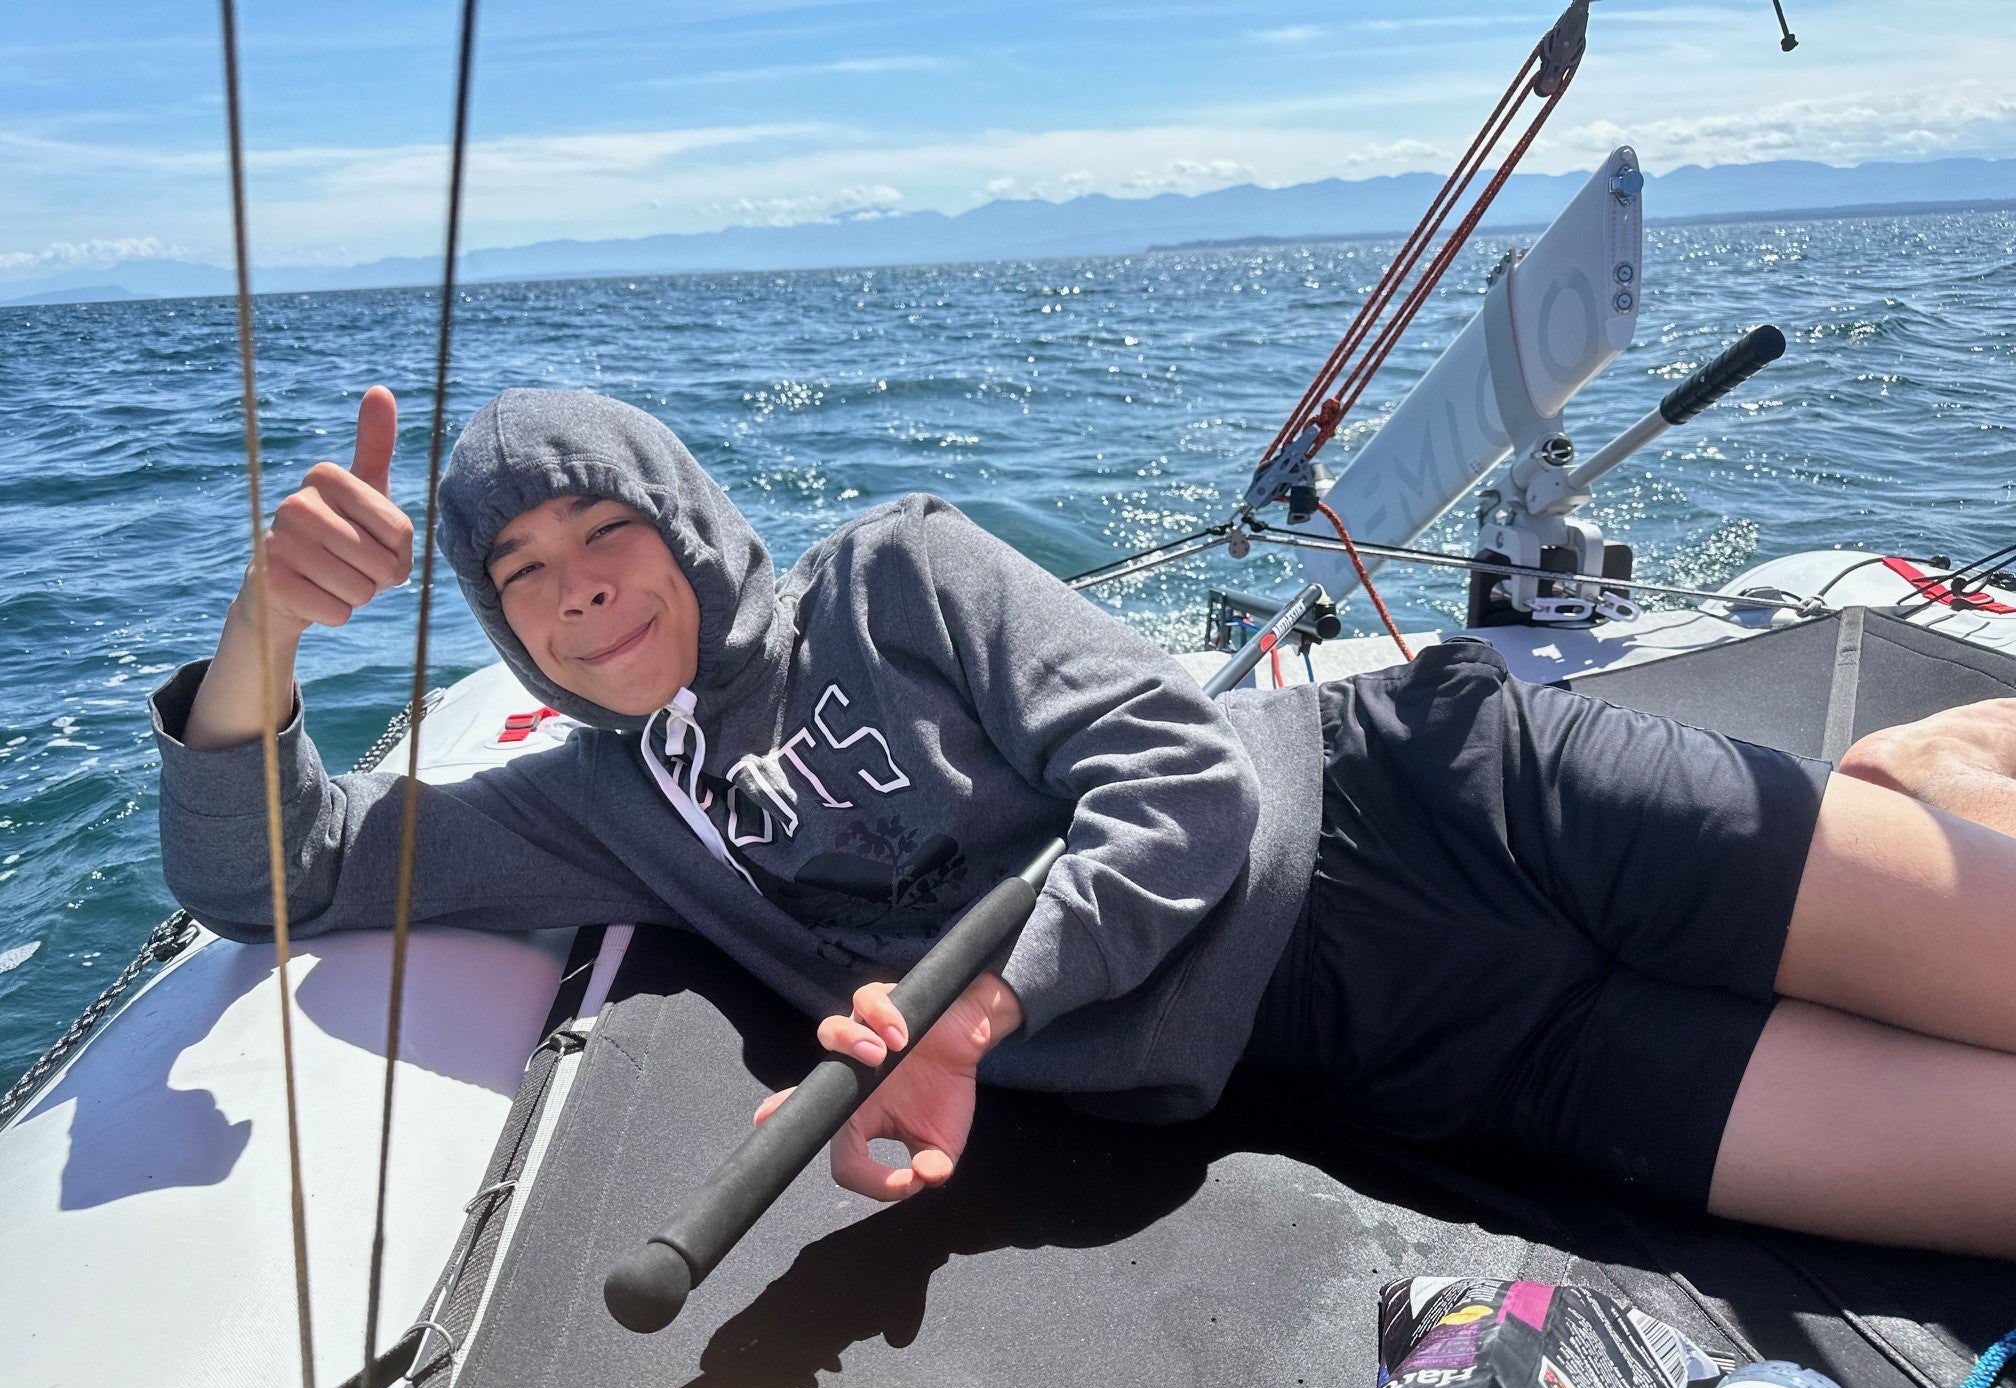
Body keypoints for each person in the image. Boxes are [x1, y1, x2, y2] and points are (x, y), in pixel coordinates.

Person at [155, 385, 2016, 1260]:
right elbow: (275, 877)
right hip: (1439, 1062)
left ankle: (1915, 782)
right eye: (522, 575)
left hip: (1461, 807)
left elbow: (1184, 774)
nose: (576, 592)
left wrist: (986, 1009)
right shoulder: (596, 812)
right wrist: (266, 630)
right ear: (500, 625)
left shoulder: (903, 572)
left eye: (605, 533)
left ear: (687, 517)